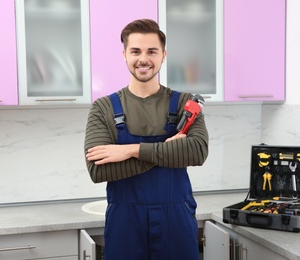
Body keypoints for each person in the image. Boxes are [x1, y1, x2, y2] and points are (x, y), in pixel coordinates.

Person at [84, 19, 209, 260]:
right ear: (124, 55)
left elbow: (197, 151)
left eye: (152, 51)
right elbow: (97, 171)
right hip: (125, 224)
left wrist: (129, 150)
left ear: (163, 55)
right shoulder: (103, 108)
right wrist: (167, 152)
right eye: (135, 51)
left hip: (176, 220)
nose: (144, 59)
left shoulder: (186, 103)